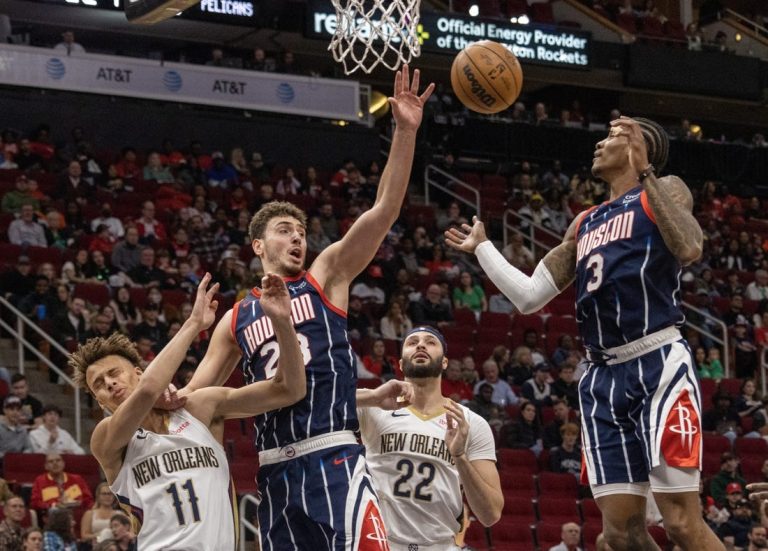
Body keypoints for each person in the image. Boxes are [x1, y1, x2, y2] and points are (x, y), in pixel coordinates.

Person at [179, 65, 435, 550]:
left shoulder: (327, 276)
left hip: (334, 457)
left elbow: (384, 211)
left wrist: (403, 132)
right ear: (258, 245)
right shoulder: (235, 319)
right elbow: (197, 395)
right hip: (274, 471)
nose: (297, 236)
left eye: (300, 231)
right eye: (283, 230)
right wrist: (161, 391)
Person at [446, 117, 723, 550]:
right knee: (619, 534)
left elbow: (689, 246)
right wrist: (483, 247)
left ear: (637, 147)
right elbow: (530, 296)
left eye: (612, 136)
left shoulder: (665, 189)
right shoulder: (585, 223)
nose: (599, 143)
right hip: (602, 378)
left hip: (658, 362)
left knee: (681, 524)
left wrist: (646, 171)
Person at [67, 273, 307, 550]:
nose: (109, 383)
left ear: (137, 372)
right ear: (99, 402)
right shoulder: (106, 438)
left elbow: (290, 389)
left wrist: (281, 321)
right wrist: (194, 324)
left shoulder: (198, 408)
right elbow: (147, 391)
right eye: (99, 384)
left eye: (114, 374)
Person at [357, 327, 502, 550]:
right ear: (402, 364)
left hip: (440, 545)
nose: (421, 345)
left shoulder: (471, 423)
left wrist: (460, 456)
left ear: (444, 362)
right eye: (412, 342)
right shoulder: (375, 405)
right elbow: (317, 398)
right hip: (381, 542)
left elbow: (491, 514)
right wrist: (373, 396)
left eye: (430, 342)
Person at [30, 453, 93, 529]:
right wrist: (53, 505)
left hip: (79, 518)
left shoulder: (77, 479)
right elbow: (35, 503)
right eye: (51, 461)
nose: (55, 463)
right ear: (46, 466)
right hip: (53, 520)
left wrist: (79, 503)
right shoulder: (40, 481)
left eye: (58, 460)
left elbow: (88, 500)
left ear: (63, 464)